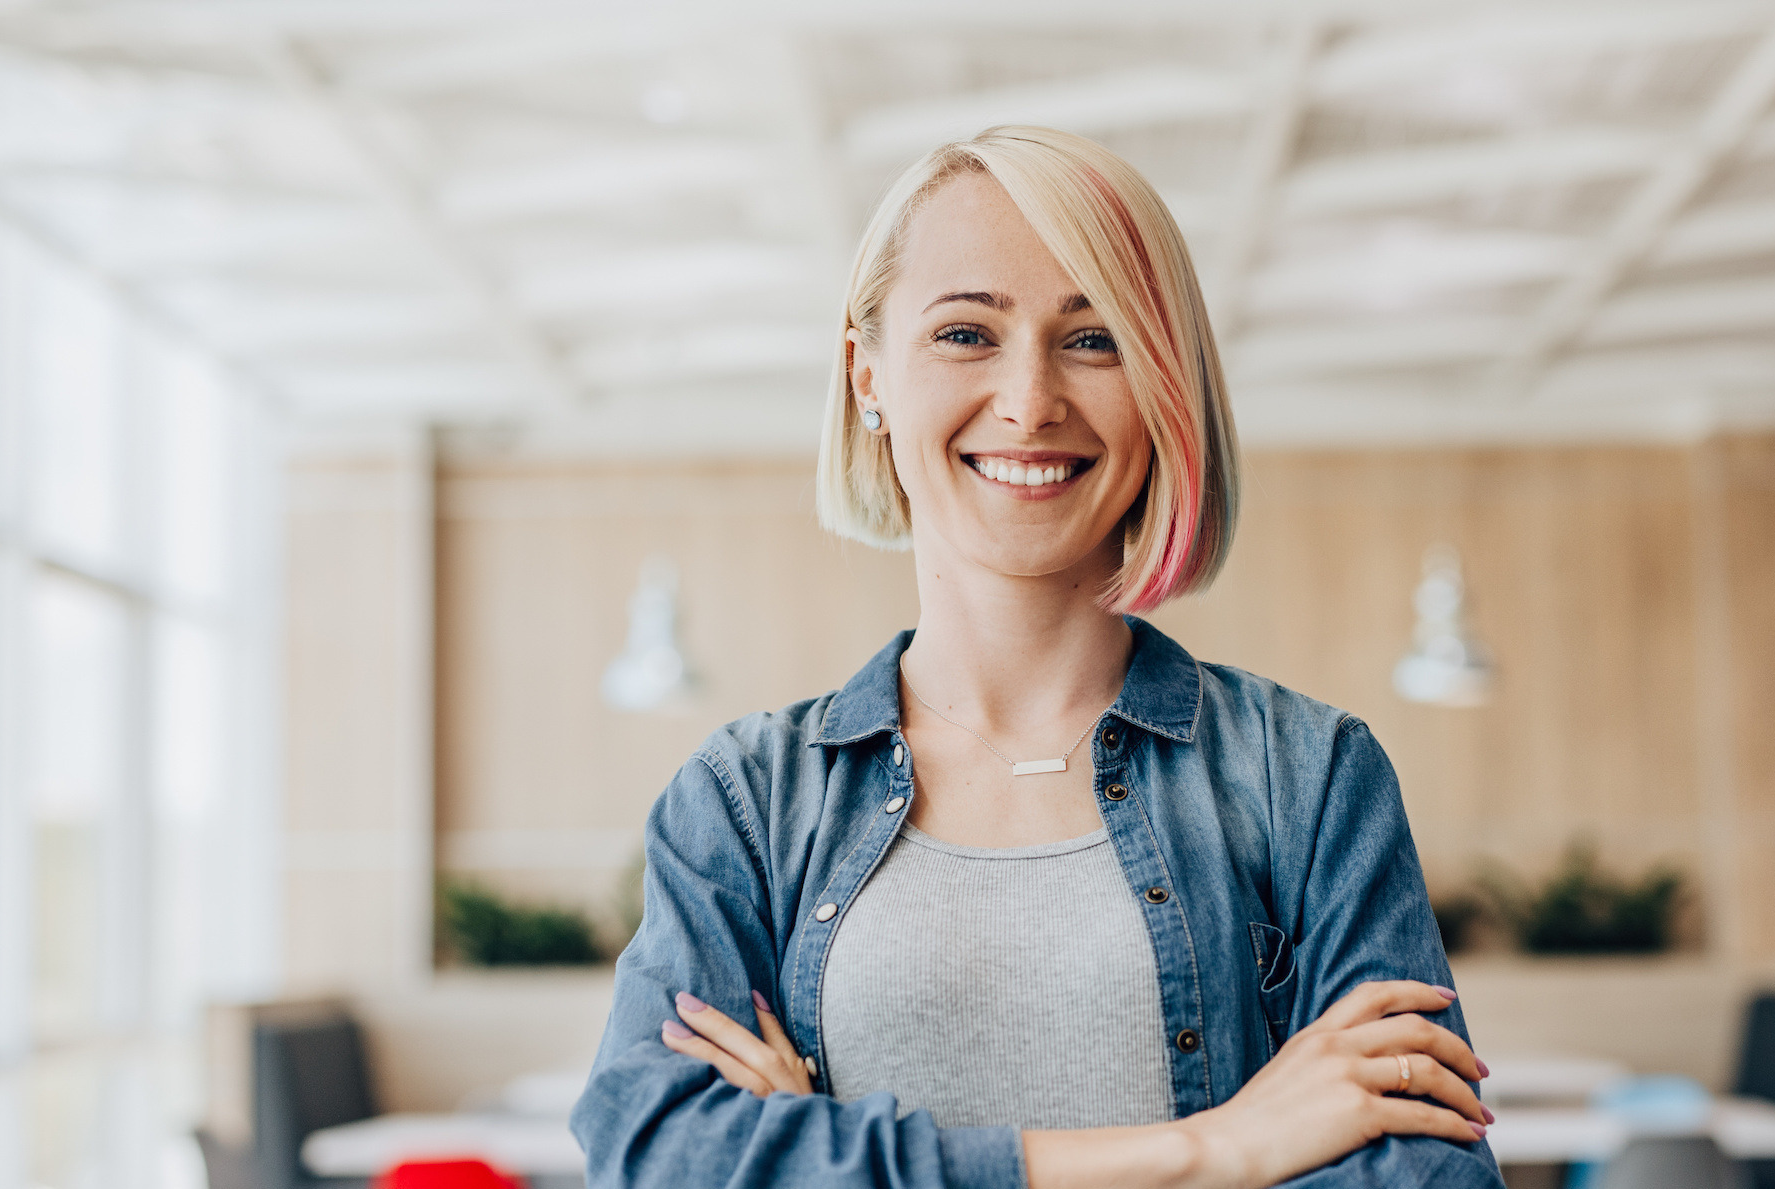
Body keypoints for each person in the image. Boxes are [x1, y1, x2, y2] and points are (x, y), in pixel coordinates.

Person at [570, 126, 1505, 1189]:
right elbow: (657, 1158)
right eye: (966, 334)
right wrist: (1212, 1149)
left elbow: (1427, 1177)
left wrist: (813, 1155)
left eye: (1095, 338)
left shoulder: (1309, 779)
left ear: (1166, 388)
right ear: (866, 374)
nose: (1029, 402)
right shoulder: (744, 801)